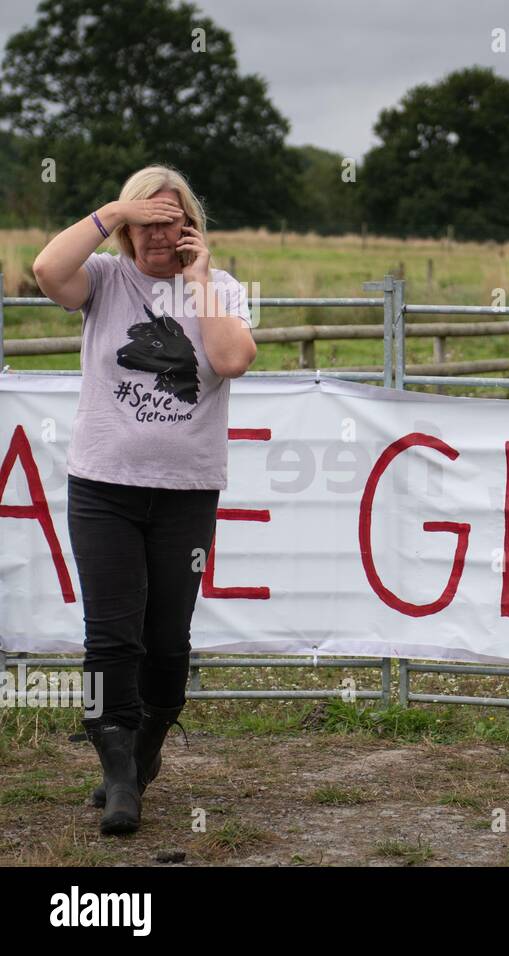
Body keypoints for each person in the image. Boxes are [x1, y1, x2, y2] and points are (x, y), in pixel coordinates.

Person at [32, 164, 257, 835]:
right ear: (128, 227)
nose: (159, 234)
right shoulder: (103, 277)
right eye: (147, 223)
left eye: (173, 221)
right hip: (102, 489)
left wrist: (196, 281)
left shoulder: (220, 289)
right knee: (109, 638)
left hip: (186, 494)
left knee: (167, 643)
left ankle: (148, 746)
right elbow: (47, 271)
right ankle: (118, 770)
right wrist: (111, 212)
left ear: (191, 227)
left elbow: (231, 359)